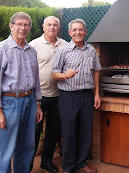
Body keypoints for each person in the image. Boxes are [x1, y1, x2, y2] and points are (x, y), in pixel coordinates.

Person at [0, 12, 43, 173]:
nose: (23, 28)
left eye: (26, 25)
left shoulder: (31, 50)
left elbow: (36, 79)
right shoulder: (1, 49)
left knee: (27, 146)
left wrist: (37, 104)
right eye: (19, 24)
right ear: (11, 26)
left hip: (30, 101)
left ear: (30, 28)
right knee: (5, 149)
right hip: (9, 103)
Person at [52, 19, 101, 173]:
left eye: (81, 30)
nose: (78, 32)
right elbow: (54, 73)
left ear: (85, 32)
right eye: (75, 30)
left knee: (85, 131)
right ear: (69, 33)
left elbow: (96, 71)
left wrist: (97, 94)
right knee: (68, 132)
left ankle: (81, 164)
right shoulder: (63, 50)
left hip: (86, 96)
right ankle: (68, 167)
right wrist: (65, 75)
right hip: (68, 97)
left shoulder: (91, 50)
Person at [29, 16, 67, 172]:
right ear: (43, 27)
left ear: (58, 28)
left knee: (53, 130)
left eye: (55, 25)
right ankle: (28, 164)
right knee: (34, 132)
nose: (52, 27)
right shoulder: (33, 45)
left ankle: (46, 160)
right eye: (49, 25)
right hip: (38, 97)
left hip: (58, 95)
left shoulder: (64, 45)